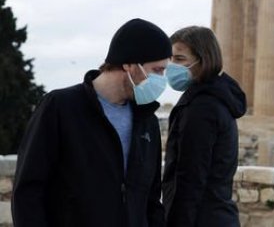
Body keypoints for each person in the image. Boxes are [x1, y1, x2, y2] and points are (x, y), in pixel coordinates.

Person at [12, 18, 171, 227]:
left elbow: (150, 200)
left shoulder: (147, 120)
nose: (162, 79)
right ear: (130, 64)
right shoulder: (60, 107)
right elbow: (28, 191)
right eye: (158, 70)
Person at [162, 26, 247, 227]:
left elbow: (190, 178)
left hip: (200, 218)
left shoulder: (202, 108)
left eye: (180, 59)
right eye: (171, 59)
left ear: (203, 59)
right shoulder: (218, 100)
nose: (172, 66)